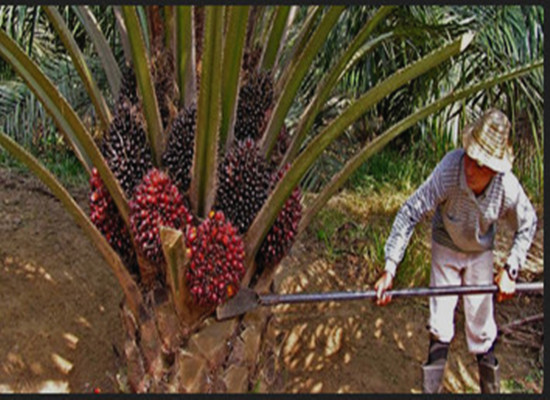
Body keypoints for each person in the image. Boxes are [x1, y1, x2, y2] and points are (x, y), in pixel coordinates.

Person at [373, 108, 538, 393]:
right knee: (440, 323)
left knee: (481, 326)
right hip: (446, 245)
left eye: (482, 165)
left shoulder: (506, 187)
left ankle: (490, 390)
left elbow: (528, 223)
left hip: (479, 251)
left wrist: (511, 269)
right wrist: (390, 268)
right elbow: (409, 211)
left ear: (496, 169)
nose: (472, 169)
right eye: (471, 159)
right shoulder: (450, 170)